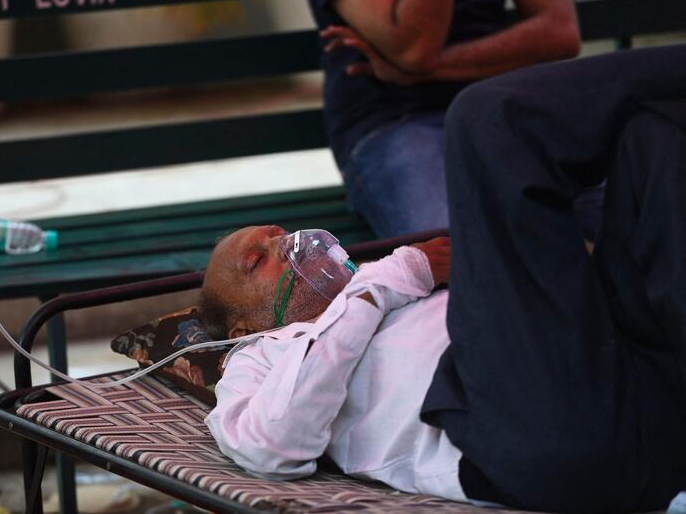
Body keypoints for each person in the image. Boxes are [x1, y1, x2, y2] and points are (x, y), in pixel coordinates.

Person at [201, 44, 686, 512]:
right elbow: (272, 449)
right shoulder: (259, 358)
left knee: (652, 132)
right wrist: (389, 278)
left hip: (641, 376)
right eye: (256, 260)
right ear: (245, 328)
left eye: (280, 234)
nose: (287, 248)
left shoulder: (393, 285)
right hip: (538, 433)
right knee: (485, 118)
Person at [303, 0, 588, 238]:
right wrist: (418, 67)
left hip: (496, 109)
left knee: (620, 212)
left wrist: (430, 70)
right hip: (393, 122)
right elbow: (414, 48)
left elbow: (560, 31)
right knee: (453, 255)